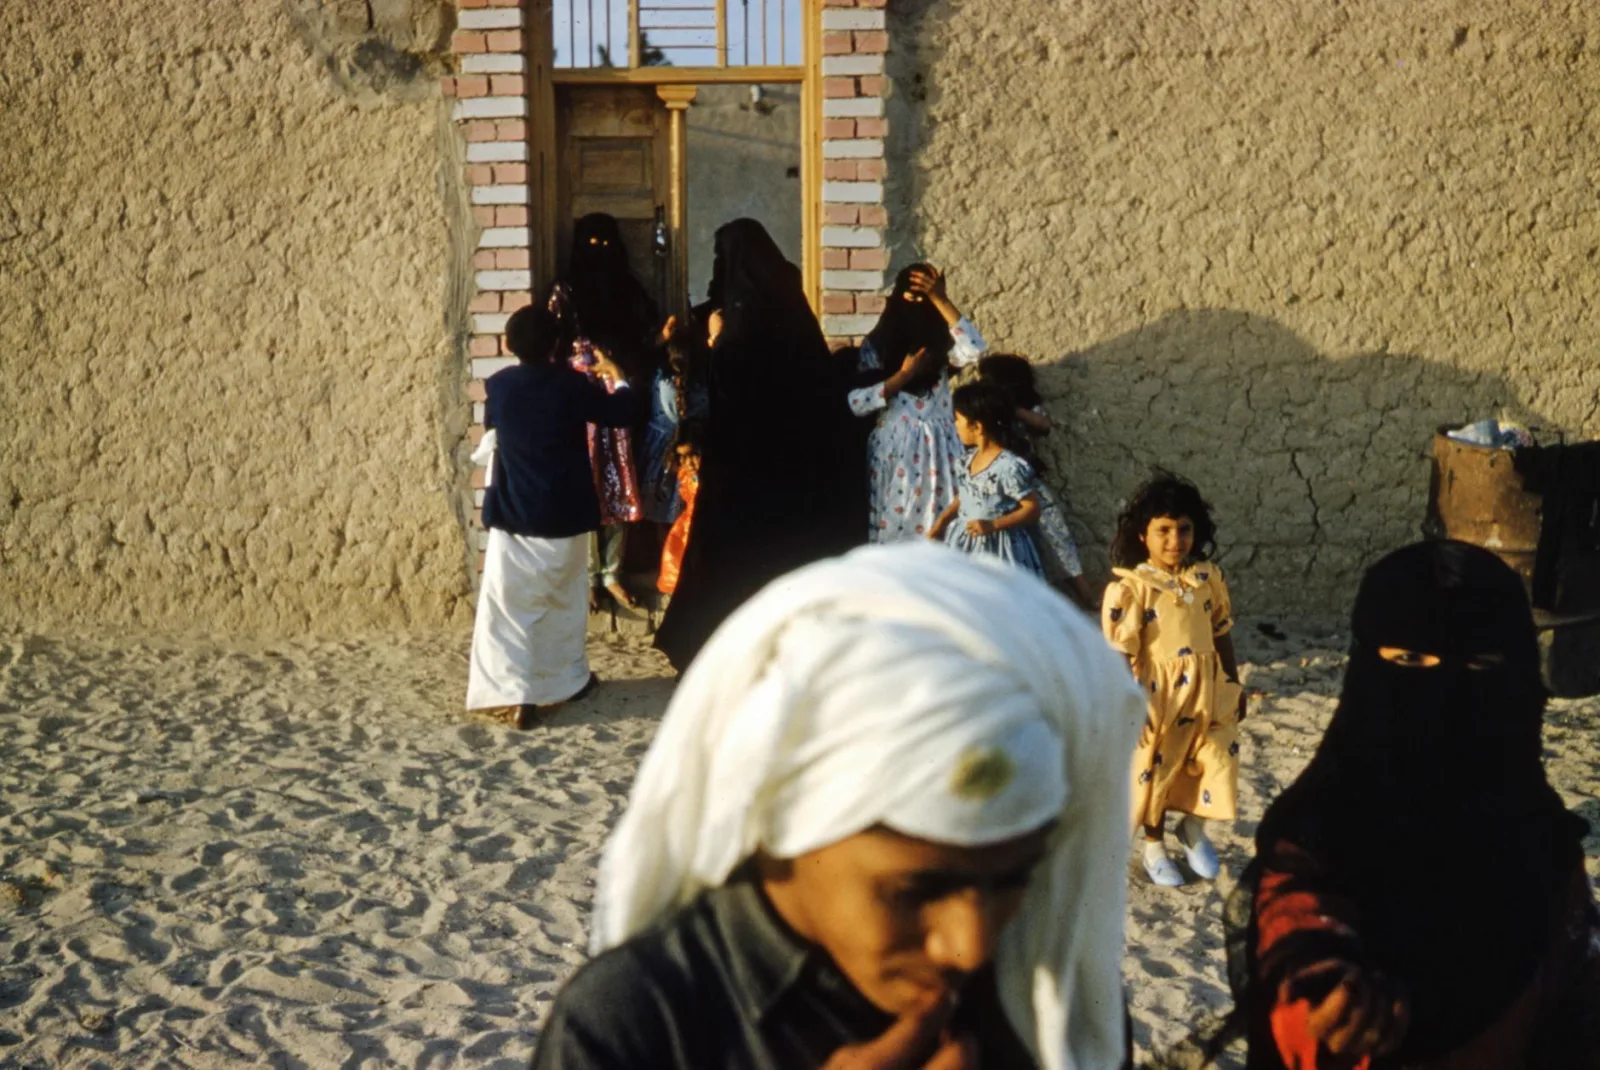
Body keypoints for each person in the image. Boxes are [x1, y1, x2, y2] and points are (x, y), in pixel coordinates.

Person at [530, 544, 1147, 1070]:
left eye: (1015, 877)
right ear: (784, 827)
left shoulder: (1049, 987)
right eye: (916, 890)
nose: (971, 946)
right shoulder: (637, 1026)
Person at [1218, 541, 1598, 1069]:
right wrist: (1332, 1000)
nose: (1445, 688)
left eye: (1479, 663)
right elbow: (1298, 937)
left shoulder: (1544, 843)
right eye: (1411, 660)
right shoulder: (1320, 831)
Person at [652, 219, 865, 672]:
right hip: (795, 461)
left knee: (734, 558)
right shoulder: (786, 299)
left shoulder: (741, 317)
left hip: (746, 463)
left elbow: (737, 386)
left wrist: (715, 340)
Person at [465, 303, 641, 729]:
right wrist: (616, 375)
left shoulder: (500, 386)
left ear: (510, 344)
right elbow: (624, 412)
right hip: (565, 517)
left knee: (508, 610)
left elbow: (494, 429)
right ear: (556, 345)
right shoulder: (572, 385)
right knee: (563, 604)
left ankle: (514, 697)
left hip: (514, 516)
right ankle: (566, 682)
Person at [1100, 471, 1243, 887]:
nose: (1174, 540)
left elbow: (1222, 632)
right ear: (1143, 535)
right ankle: (1155, 845)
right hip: (1159, 697)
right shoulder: (1133, 589)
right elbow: (1120, 655)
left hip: (1209, 689)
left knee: (1220, 759)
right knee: (1158, 771)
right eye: (1163, 530)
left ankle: (1194, 828)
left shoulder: (1206, 579)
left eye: (1183, 529)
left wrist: (1232, 682)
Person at [561, 215, 663, 611]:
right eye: (591, 243)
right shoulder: (565, 291)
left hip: (619, 399)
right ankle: (587, 577)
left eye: (607, 244)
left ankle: (613, 574)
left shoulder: (627, 289)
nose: (599, 252)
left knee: (619, 485)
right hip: (580, 406)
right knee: (587, 491)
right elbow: (554, 347)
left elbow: (644, 334)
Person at [848, 265, 989, 543]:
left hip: (941, 451)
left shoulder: (940, 349)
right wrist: (903, 375)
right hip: (895, 452)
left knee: (946, 534)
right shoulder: (878, 346)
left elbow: (975, 348)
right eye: (910, 298)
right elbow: (857, 402)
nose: (916, 306)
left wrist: (941, 299)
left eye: (925, 300)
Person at [976, 353, 1097, 611]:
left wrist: (1012, 408)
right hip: (990, 486)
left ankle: (1085, 594)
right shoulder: (980, 407)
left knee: (1056, 533)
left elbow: (1043, 425)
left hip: (1025, 481)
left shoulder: (1021, 407)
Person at [929, 381, 1045, 576]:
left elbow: (1031, 509)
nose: (954, 425)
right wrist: (942, 522)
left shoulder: (1008, 466)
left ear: (978, 426)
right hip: (966, 543)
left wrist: (993, 525)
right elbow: (964, 496)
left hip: (1000, 551)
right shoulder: (966, 461)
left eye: (958, 419)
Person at [655, 419, 702, 598]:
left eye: (693, 455)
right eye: (682, 458)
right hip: (688, 523)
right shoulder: (685, 474)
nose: (689, 463)